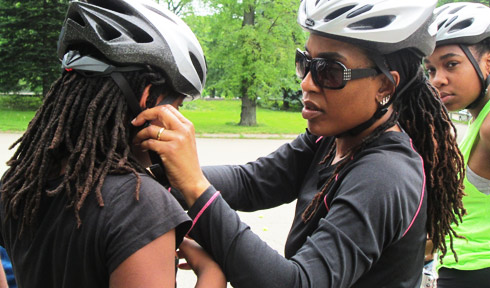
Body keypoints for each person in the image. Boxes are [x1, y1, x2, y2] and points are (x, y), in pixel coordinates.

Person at [133, 0, 466, 287]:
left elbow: (297, 283)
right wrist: (157, 175)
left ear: (385, 86)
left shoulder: (385, 176)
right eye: (305, 63)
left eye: (330, 72)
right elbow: (253, 183)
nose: (307, 83)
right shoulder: (330, 139)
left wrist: (194, 188)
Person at [0, 0, 225, 287]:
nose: (179, 120)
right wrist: (213, 274)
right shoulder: (139, 206)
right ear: (148, 98)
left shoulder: (20, 182)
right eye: (177, 106)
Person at [424, 2, 490, 287]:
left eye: (451, 64)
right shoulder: (480, 122)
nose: (438, 80)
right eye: (431, 69)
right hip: (459, 267)